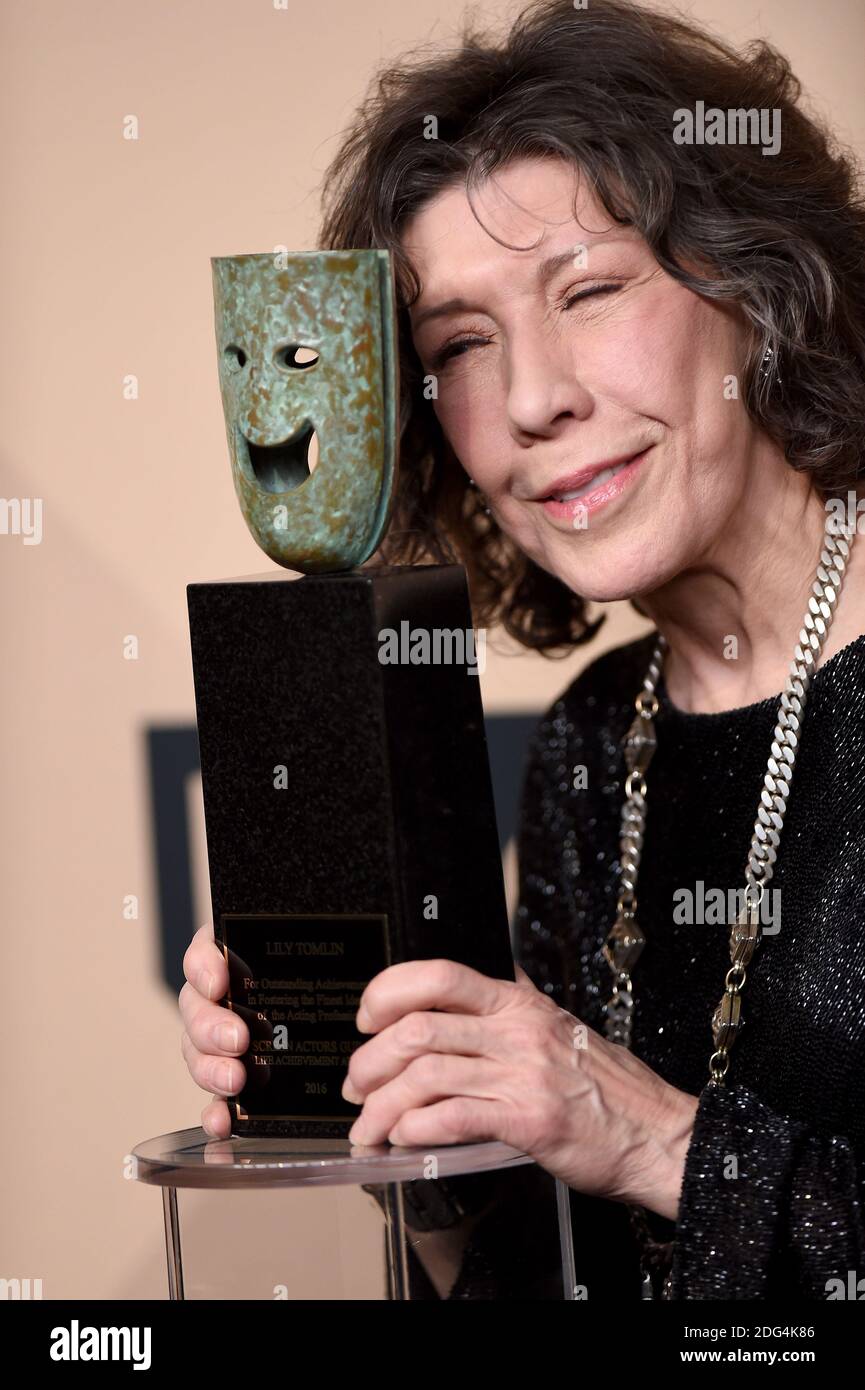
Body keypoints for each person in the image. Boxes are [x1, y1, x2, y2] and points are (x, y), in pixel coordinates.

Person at [178, 0, 865, 1298]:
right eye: (462, 347)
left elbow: (653, 1159)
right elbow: (528, 1274)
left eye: (589, 289)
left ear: (758, 286)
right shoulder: (601, 737)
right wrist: (381, 1092)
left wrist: (659, 1139)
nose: (536, 397)